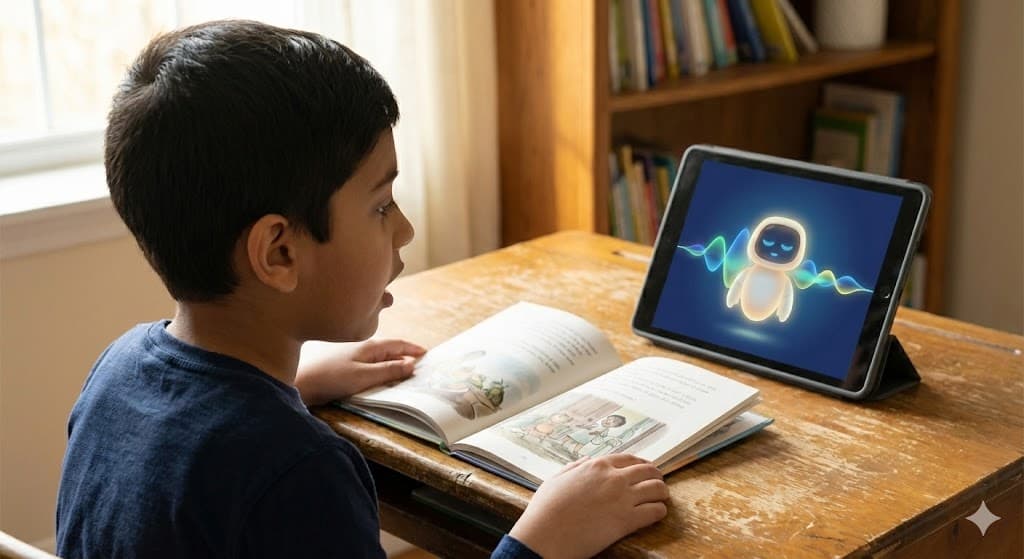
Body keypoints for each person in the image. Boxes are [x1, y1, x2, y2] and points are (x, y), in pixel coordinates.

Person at [55, 20, 670, 559]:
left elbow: (193, 444)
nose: (404, 227)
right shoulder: (299, 471)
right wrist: (542, 541)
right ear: (279, 252)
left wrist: (296, 385)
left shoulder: (119, 368)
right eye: (380, 206)